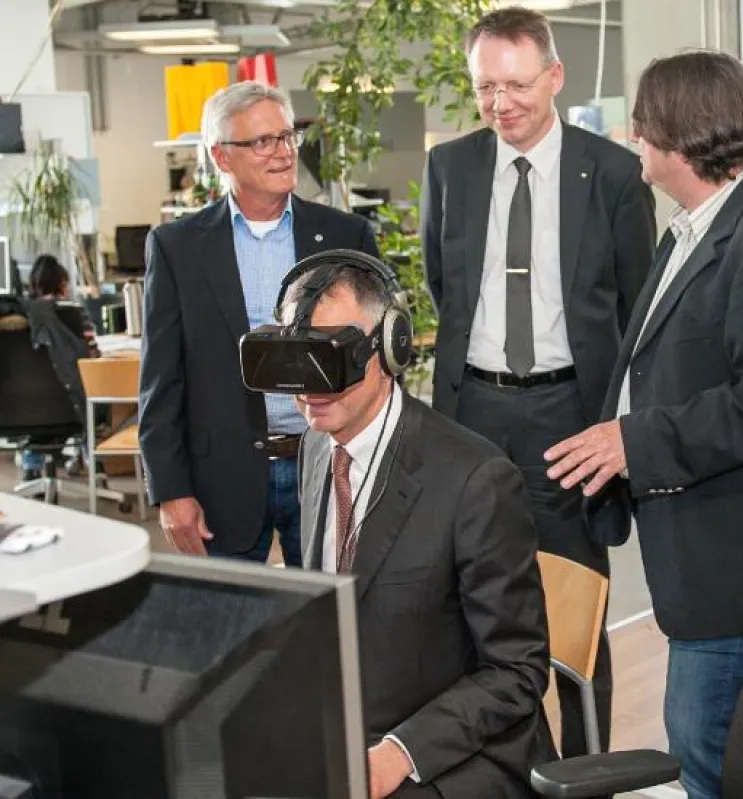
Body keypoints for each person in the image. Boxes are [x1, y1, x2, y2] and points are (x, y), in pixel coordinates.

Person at [546, 51, 743, 798]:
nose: (632, 136)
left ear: (681, 132)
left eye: (644, 124)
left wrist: (629, 440)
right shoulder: (689, 230)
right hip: (695, 559)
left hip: (735, 567)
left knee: (712, 762)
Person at [420, 5, 656, 757]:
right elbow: (441, 286)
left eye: (516, 84)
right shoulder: (449, 167)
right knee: (474, 604)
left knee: (576, 609)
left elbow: (637, 300)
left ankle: (588, 767)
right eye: (486, 87)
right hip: (472, 411)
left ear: (554, 76)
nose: (501, 104)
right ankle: (502, 767)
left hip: (570, 414)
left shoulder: (613, 172)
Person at [280, 256, 552, 798]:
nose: (312, 382)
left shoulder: (476, 480)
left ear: (389, 349)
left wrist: (398, 754)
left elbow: (517, 672)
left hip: (457, 755)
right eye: (298, 354)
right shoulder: (316, 446)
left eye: (334, 354)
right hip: (349, 734)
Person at [139, 81, 379, 566]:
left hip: (329, 465)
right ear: (222, 157)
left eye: (287, 136)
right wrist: (170, 490)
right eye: (262, 142)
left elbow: (377, 361)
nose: (283, 152)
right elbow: (161, 380)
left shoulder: (344, 235)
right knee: (230, 628)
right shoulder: (176, 247)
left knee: (333, 625)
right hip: (221, 475)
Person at [20, 254, 100, 480]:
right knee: (91, 399)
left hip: (21, 409)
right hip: (72, 405)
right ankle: (91, 459)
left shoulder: (18, 315)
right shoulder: (73, 313)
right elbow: (92, 356)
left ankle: (31, 464)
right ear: (62, 284)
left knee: (44, 403)